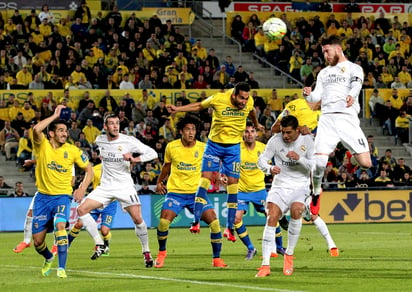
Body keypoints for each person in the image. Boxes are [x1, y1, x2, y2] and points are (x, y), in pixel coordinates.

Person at [166, 82, 262, 242]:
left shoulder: (249, 101)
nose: (244, 101)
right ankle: (195, 222)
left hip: (233, 148)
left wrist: (256, 123)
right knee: (205, 179)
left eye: (246, 98)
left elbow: (251, 111)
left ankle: (229, 229)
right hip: (214, 146)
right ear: (233, 94)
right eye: (241, 98)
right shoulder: (219, 99)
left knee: (233, 185)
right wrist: (177, 109)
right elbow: (198, 106)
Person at [303, 35, 372, 218]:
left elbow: (356, 84)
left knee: (366, 163)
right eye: (323, 51)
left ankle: (351, 160)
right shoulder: (323, 73)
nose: (325, 55)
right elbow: (315, 97)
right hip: (326, 119)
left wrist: (351, 94)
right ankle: (316, 193)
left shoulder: (353, 68)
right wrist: (307, 95)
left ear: (338, 49)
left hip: (347, 118)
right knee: (319, 164)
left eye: (327, 51)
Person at [76, 112, 157, 267]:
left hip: (125, 186)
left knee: (138, 220)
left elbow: (151, 153)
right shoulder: (100, 140)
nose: (115, 126)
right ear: (105, 126)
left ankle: (146, 252)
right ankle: (99, 243)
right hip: (106, 186)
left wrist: (134, 159)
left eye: (117, 123)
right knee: (81, 210)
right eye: (111, 123)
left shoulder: (128, 141)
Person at [154, 116, 227, 268]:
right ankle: (162, 252)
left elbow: (213, 164)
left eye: (193, 129)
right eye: (188, 129)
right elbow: (166, 167)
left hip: (197, 194)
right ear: (181, 131)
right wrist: (159, 181)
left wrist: (219, 176)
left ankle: (217, 259)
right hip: (176, 193)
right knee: (163, 222)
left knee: (214, 222)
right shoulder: (171, 147)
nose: (191, 132)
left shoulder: (203, 147)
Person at [31, 105, 93, 278]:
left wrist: (82, 188)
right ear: (51, 133)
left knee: (60, 226)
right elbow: (37, 129)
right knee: (38, 242)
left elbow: (90, 170)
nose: (65, 134)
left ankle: (61, 268)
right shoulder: (42, 145)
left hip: (62, 197)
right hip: (42, 198)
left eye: (66, 131)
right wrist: (54, 115)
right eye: (60, 130)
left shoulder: (72, 150)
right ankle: (48, 257)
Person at [256, 115, 315, 277]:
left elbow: (315, 165)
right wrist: (269, 169)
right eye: (283, 132)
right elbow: (261, 160)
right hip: (280, 186)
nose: (285, 136)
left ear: (297, 130)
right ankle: (265, 265)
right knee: (271, 217)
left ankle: (289, 254)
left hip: (300, 186)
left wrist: (300, 158)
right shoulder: (275, 141)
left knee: (297, 211)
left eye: (289, 132)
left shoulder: (307, 141)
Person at [232, 122, 285, 260]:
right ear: (243, 134)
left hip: (259, 190)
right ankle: (251, 248)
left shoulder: (263, 149)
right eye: (247, 131)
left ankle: (279, 247)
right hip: (241, 191)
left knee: (272, 216)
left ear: (256, 134)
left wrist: (276, 181)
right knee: (236, 219)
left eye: (252, 131)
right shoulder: (237, 148)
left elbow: (274, 166)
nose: (249, 134)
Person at [68, 163, 118, 255]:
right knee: (79, 224)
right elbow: (86, 181)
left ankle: (105, 246)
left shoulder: (117, 169)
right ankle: (66, 245)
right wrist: (80, 189)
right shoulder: (95, 169)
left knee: (104, 230)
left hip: (110, 204)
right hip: (96, 201)